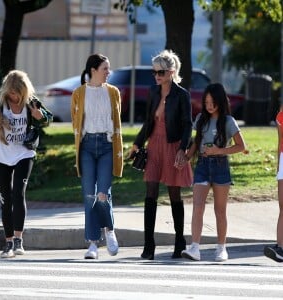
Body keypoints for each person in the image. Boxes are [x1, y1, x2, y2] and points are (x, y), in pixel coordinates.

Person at [129, 49, 193, 260]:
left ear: (171, 72)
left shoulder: (182, 94)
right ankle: (149, 246)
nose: (157, 76)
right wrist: (137, 144)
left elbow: (187, 124)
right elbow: (148, 122)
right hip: (154, 145)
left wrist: (183, 149)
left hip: (173, 146)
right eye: (154, 72)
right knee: (150, 194)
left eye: (161, 72)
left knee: (174, 195)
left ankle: (180, 242)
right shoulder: (153, 92)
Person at [0, 69, 53, 258]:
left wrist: (40, 117)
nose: (14, 97)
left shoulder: (31, 101)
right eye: (11, 93)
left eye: (17, 93)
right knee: (5, 199)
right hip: (1, 154)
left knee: (18, 194)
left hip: (24, 152)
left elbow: (49, 117)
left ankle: (18, 240)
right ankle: (7, 243)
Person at [181, 83, 245, 262]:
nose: (209, 106)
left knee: (220, 210)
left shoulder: (228, 121)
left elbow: (241, 146)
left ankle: (221, 248)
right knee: (198, 207)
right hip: (202, 166)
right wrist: (186, 157)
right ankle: (195, 248)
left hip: (220, 166)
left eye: (212, 102)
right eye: (206, 102)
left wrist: (219, 151)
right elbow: (196, 142)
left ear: (220, 101)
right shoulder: (201, 118)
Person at [71, 53, 123, 259]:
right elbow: (76, 124)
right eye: (105, 69)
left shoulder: (113, 92)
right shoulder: (78, 93)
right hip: (86, 147)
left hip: (106, 146)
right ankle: (92, 243)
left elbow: (117, 121)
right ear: (93, 70)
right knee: (89, 196)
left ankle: (109, 230)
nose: (108, 72)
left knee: (102, 194)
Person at [264, 109, 283, 262]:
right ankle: (280, 247)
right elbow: (280, 141)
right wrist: (279, 165)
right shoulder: (281, 114)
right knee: (282, 205)